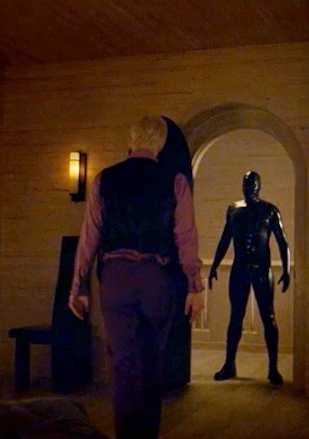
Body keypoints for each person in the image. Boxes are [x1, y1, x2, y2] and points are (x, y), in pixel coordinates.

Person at [69, 116, 204, 439]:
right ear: (160, 144)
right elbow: (186, 237)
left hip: (115, 277)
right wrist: (195, 285)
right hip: (157, 278)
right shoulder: (175, 181)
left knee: (123, 365)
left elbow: (89, 238)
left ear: (131, 140)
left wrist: (78, 287)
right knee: (152, 361)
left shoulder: (104, 180)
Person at [208, 171, 290, 385]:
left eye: (252, 185)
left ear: (259, 187)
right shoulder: (234, 210)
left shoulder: (270, 210)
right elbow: (225, 239)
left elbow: (283, 242)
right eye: (246, 185)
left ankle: (273, 368)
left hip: (262, 270)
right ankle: (229, 364)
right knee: (236, 317)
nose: (249, 189)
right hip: (240, 269)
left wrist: (286, 270)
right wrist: (214, 265)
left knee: (268, 317)